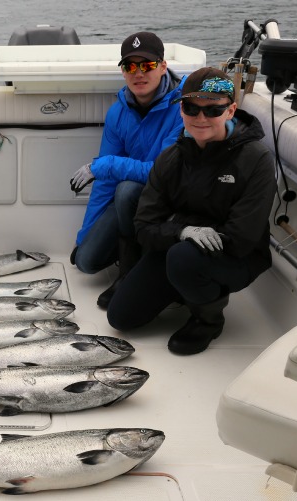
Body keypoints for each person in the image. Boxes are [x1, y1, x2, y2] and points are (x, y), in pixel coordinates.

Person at [107, 67, 277, 355]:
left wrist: (182, 238)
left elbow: (243, 238)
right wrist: (183, 231)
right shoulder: (171, 158)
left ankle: (208, 319)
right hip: (180, 245)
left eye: (213, 110)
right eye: (191, 108)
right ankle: (181, 285)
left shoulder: (256, 159)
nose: (201, 118)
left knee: (183, 258)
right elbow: (144, 226)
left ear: (231, 110)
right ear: (181, 109)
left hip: (238, 257)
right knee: (121, 317)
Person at [69, 32, 186, 310]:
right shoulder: (117, 113)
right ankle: (134, 254)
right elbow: (104, 183)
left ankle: (129, 273)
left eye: (146, 65)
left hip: (172, 199)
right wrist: (85, 234)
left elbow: (162, 173)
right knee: (85, 261)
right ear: (123, 71)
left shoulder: (184, 109)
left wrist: (104, 165)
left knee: (127, 189)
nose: (138, 73)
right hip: (135, 202)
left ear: (162, 66)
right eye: (130, 66)